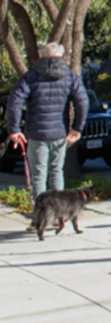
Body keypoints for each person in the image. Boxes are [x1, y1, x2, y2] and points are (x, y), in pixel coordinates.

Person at [6, 42, 89, 203]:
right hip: (59, 133)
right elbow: (82, 102)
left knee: (38, 175)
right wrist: (76, 128)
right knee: (57, 171)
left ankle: (40, 213)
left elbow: (14, 101)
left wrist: (14, 129)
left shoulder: (31, 76)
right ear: (62, 57)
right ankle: (58, 212)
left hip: (36, 133)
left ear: (41, 56)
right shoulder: (70, 76)